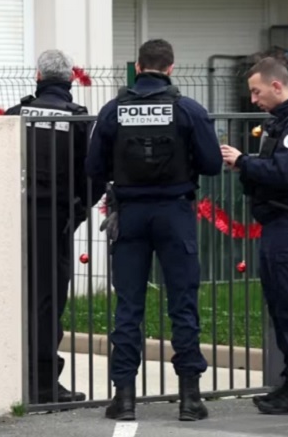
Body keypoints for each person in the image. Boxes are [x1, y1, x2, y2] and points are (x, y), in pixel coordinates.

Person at [85, 39, 223, 422]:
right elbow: (212, 165)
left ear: (137, 66)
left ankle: (125, 398)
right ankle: (190, 399)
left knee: (129, 307)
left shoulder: (113, 110)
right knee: (183, 303)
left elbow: (94, 166)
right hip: (175, 214)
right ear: (171, 68)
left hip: (129, 215)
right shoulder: (187, 110)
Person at [219, 56, 288, 416]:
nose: (253, 100)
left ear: (277, 86)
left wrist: (243, 162)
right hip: (278, 226)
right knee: (281, 306)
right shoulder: (281, 124)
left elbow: (284, 173)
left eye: (257, 91)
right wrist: (251, 168)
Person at [5, 49, 103, 405]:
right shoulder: (77, 120)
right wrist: (75, 215)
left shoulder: (15, 115)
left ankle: (12, 377)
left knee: (16, 298)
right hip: (55, 220)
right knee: (48, 303)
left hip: (15, 219)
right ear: (71, 80)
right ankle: (44, 385)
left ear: (38, 77)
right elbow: (92, 176)